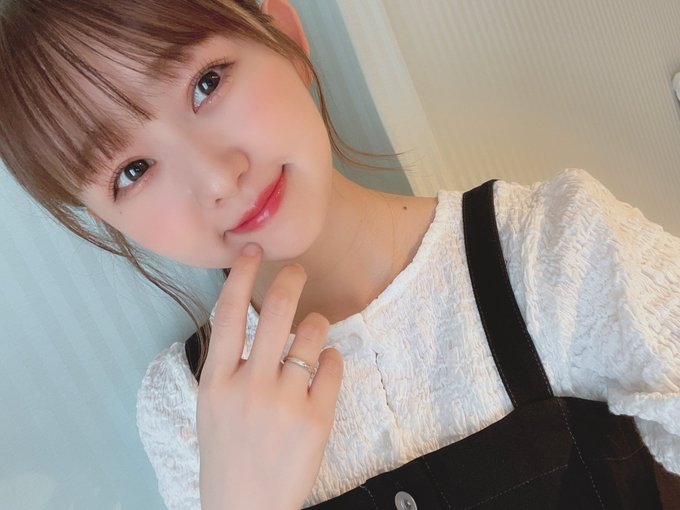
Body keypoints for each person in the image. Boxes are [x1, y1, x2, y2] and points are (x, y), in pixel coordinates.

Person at [0, 0, 678, 509]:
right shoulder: (185, 411)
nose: (217, 178)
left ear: (287, 38)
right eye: (133, 170)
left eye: (207, 83)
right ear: (106, 219)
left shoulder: (554, 252)